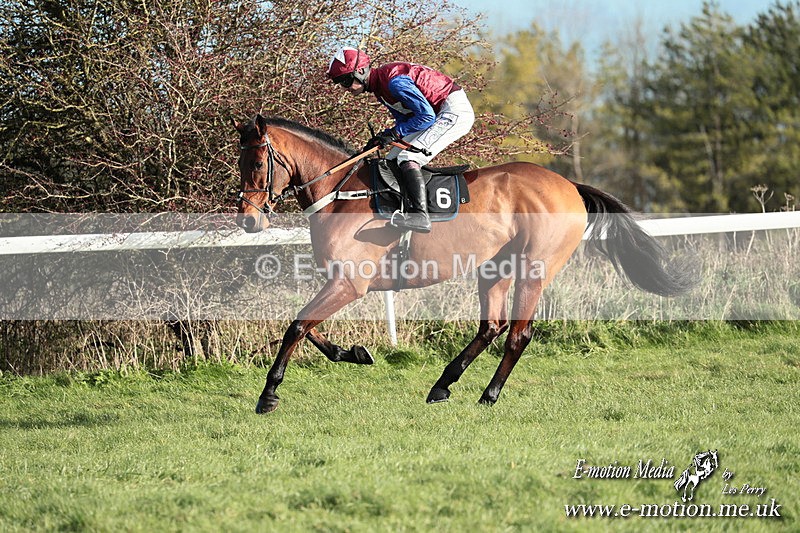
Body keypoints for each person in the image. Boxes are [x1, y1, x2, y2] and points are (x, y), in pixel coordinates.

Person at [326, 47, 475, 233]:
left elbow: (426, 116)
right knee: (389, 162)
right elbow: (407, 119)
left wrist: (395, 134)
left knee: (409, 158)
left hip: (452, 111)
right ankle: (400, 210)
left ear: (361, 71)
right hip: (435, 113)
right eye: (340, 82)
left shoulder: (393, 82)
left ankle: (420, 216)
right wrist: (385, 136)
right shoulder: (380, 87)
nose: (345, 88)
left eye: (346, 80)